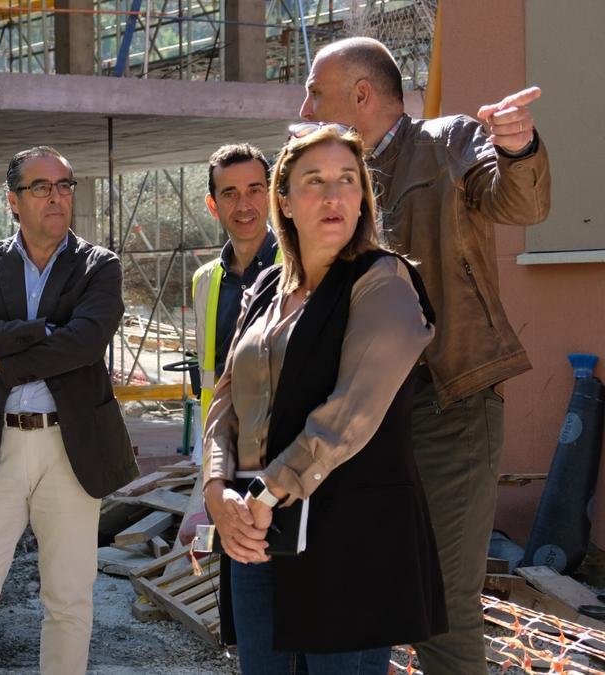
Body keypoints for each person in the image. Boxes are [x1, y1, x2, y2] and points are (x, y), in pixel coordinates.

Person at [299, 37, 552, 673]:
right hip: (360, 418)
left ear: (360, 95)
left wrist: (517, 146)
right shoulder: (333, 176)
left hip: (449, 405)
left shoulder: (446, 144)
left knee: (442, 604)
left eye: (315, 91)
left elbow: (519, 201)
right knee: (370, 591)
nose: (303, 105)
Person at [203, 125, 447, 673]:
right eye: (315, 182)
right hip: (253, 533)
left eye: (348, 180)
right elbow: (226, 402)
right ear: (284, 203)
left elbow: (351, 411)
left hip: (350, 538)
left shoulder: (383, 280)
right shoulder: (266, 286)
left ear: (364, 196)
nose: (334, 196)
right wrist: (216, 488)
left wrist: (264, 495)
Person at [0, 146, 139, 675]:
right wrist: (42, 331)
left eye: (65, 185)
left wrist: (2, 358)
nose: (57, 196)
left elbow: (86, 342)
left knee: (68, 602)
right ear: (13, 200)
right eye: (42, 187)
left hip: (71, 449)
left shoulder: (100, 266)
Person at [179, 144, 278, 545]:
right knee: (228, 582)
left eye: (255, 189)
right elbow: (211, 379)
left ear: (272, 194)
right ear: (212, 204)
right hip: (223, 458)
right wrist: (208, 466)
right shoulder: (206, 281)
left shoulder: (301, 269)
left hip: (281, 461)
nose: (244, 204)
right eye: (229, 193)